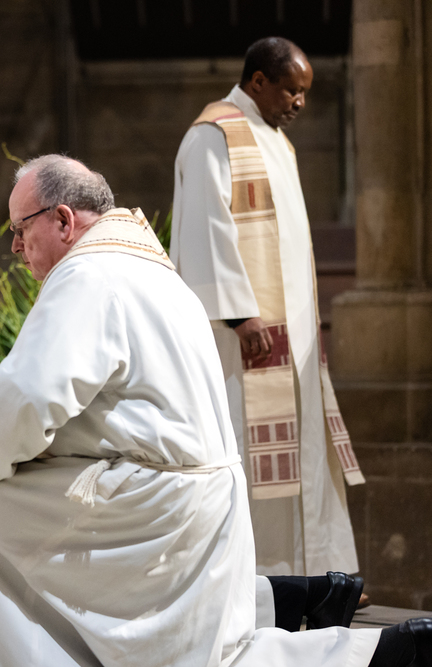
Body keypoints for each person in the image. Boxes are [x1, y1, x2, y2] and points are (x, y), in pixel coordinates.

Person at [0, 154, 430, 667]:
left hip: (155, 506)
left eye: (20, 228)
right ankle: (362, 638)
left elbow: (29, 399)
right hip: (198, 499)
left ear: (62, 220)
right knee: (213, 657)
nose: (16, 246)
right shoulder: (151, 270)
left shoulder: (88, 275)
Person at [170, 37, 362, 576]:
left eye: (305, 93)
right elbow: (205, 228)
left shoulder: (276, 141)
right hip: (245, 334)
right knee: (250, 451)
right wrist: (240, 313)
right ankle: (260, 577)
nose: (299, 102)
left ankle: (313, 573)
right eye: (291, 90)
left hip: (293, 334)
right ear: (258, 81)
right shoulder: (214, 135)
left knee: (303, 451)